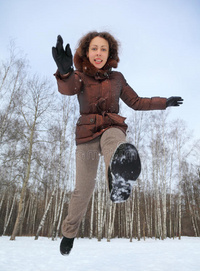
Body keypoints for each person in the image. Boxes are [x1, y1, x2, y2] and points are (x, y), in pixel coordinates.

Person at [52, 31, 183, 255]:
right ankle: (68, 233)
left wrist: (164, 102)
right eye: (94, 48)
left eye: (103, 49)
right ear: (86, 52)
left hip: (111, 127)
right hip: (86, 136)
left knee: (115, 139)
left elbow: (137, 102)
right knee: (83, 190)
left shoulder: (117, 78)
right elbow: (69, 89)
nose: (98, 53)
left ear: (109, 53)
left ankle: (118, 181)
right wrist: (65, 72)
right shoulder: (80, 76)